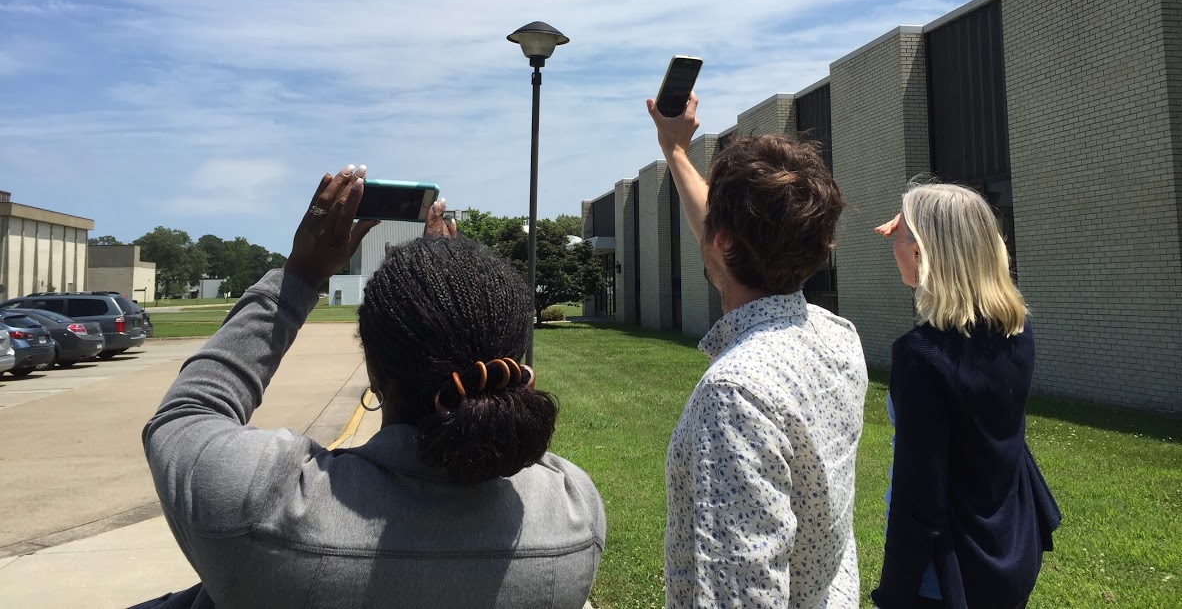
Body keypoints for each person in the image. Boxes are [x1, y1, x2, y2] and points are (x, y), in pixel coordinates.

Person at [138, 165, 605, 609]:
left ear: (375, 371)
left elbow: (187, 412)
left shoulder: (258, 508)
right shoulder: (573, 513)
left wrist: (300, 274)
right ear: (511, 366)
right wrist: (454, 288)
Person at [648, 93, 868, 607]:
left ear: (721, 242)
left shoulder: (737, 395)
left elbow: (740, 593)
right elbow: (728, 237)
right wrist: (676, 152)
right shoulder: (838, 337)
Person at [871, 183, 1060, 609]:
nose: (892, 246)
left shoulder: (921, 357)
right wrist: (923, 220)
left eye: (902, 239)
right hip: (1010, 550)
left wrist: (895, 595)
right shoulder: (1018, 332)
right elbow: (963, 230)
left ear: (923, 253)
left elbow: (918, 501)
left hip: (946, 579)